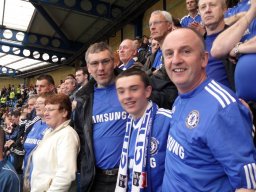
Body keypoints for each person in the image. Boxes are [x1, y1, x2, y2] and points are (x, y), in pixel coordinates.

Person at [161, 27, 256, 191]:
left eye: (185, 51)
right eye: (169, 53)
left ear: (204, 59)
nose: (175, 60)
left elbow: (246, 185)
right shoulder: (179, 100)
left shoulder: (222, 107)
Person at [74, 42, 127, 191]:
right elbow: (81, 137)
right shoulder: (82, 99)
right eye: (95, 63)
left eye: (105, 61)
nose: (101, 68)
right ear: (88, 67)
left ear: (114, 62)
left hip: (129, 176)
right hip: (97, 179)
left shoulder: (131, 86)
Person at [115, 68, 171, 191]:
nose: (127, 96)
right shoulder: (128, 125)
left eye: (134, 89)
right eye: (121, 91)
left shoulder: (168, 121)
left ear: (147, 91)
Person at [25, 94, 80, 192]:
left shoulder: (67, 134)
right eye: (45, 109)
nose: (46, 113)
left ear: (64, 112)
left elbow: (65, 175)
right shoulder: (49, 132)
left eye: (50, 110)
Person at [211, 0, 256, 102]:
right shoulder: (235, 10)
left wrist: (238, 49)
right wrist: (250, 12)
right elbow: (217, 49)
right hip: (245, 102)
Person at [199, 0, 234, 89]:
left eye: (213, 5)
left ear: (224, 9)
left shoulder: (236, 37)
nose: (207, 10)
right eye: (203, 7)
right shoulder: (197, 45)